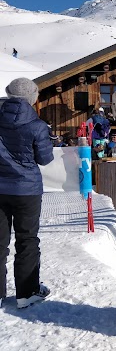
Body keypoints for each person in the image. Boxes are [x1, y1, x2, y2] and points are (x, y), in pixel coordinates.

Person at [0, 78, 54, 308]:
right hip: (27, 190)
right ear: (32, 97)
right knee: (27, 240)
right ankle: (26, 293)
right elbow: (45, 158)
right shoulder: (37, 125)